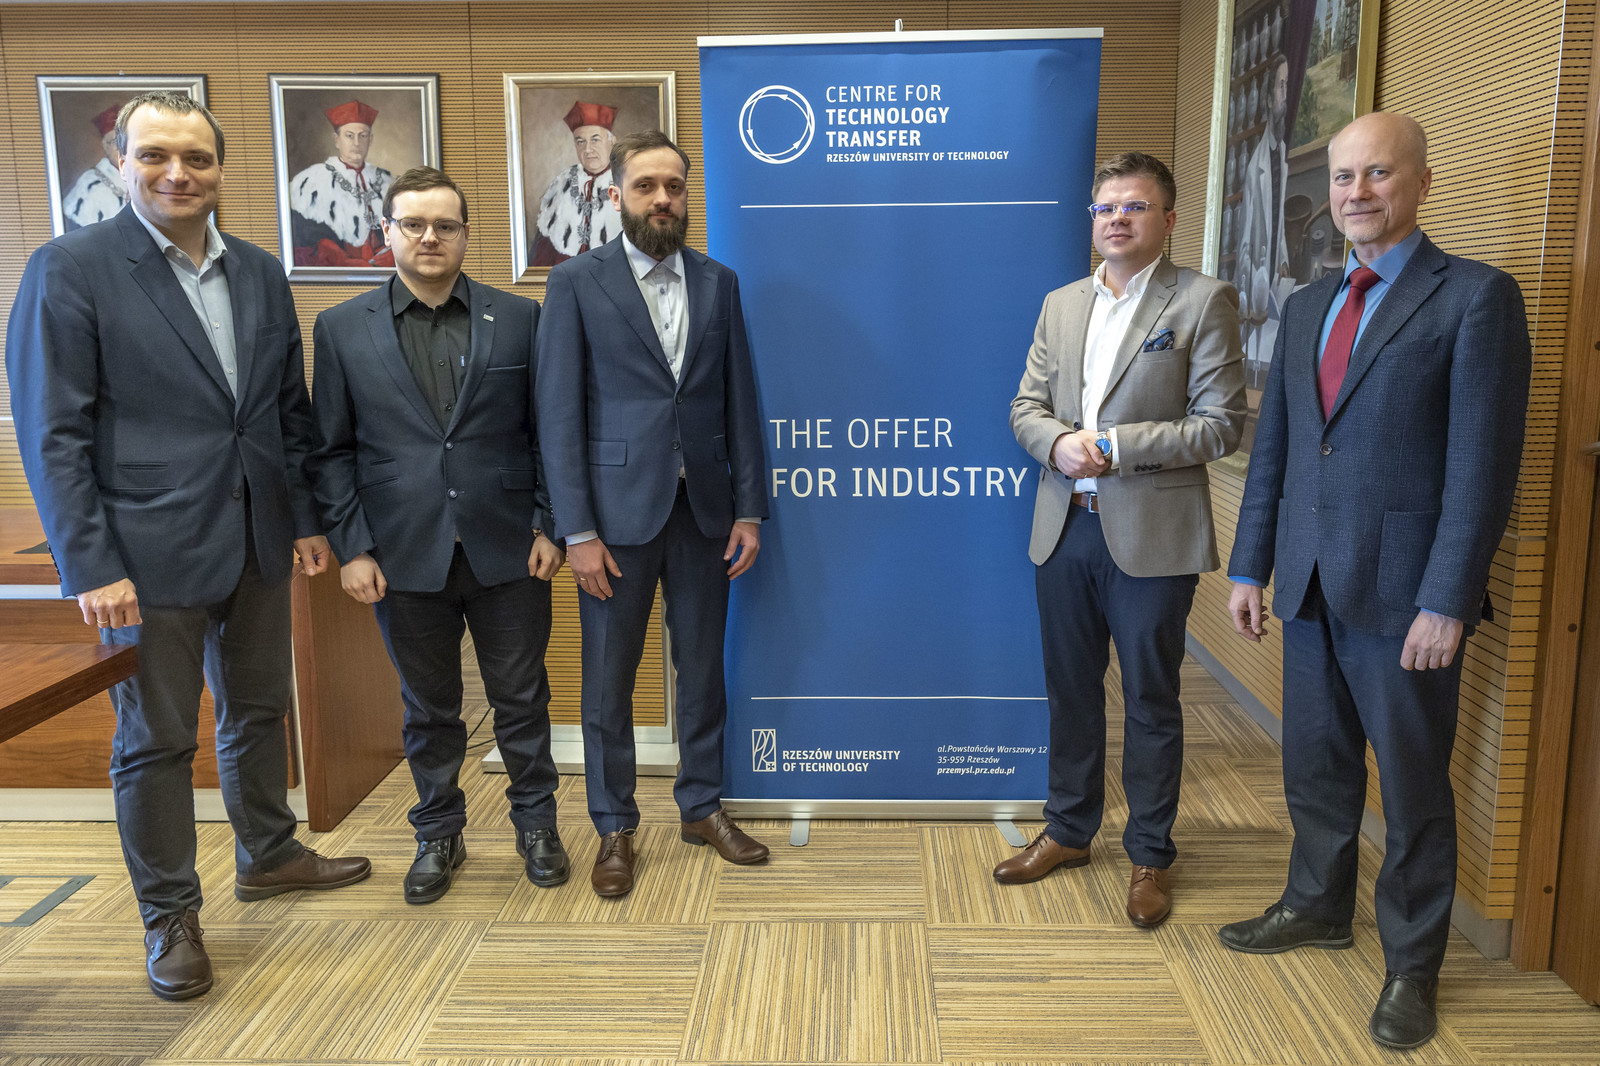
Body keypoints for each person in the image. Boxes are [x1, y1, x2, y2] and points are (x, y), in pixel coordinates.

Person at [5, 91, 370, 1002]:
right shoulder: (71, 269)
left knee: (259, 709)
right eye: (156, 156)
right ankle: (169, 915)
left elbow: (283, 411)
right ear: (121, 163)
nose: (178, 174)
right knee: (158, 740)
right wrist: (90, 564)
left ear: (220, 170)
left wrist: (305, 519)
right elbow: (52, 433)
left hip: (256, 539)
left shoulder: (259, 271)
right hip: (143, 557)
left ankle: (269, 853)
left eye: (197, 158)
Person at [1223, 111, 1531, 1049]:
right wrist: (1250, 564)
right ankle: (1317, 905)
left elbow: (1482, 469)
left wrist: (1447, 599)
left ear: (1422, 182)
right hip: (1309, 583)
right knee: (1314, 766)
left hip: (1405, 597)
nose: (1355, 192)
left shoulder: (1474, 298)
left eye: (1378, 174)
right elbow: (1279, 451)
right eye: (1344, 176)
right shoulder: (1307, 306)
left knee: (1412, 789)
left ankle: (1411, 966)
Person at [999, 151, 1246, 928]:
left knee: (1150, 698)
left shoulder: (1202, 300)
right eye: (1104, 208)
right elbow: (1025, 407)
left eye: (1133, 207)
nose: (1116, 219)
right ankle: (1070, 830)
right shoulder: (1061, 303)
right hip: (1064, 528)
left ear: (1167, 218)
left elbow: (1221, 425)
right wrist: (1055, 443)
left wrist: (1113, 445)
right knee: (1070, 692)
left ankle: (1149, 853)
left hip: (1152, 537)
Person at [310, 166, 568, 903]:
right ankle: (438, 832)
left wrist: (548, 522)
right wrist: (352, 547)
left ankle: (537, 825)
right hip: (401, 552)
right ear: (386, 231)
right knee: (428, 708)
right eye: (414, 224)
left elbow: (548, 433)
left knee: (521, 698)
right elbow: (331, 450)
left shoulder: (518, 318)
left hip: (510, 547)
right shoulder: (341, 328)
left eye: (445, 226)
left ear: (465, 234)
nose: (430, 237)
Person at [536, 130, 769, 898]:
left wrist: (749, 510)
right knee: (609, 683)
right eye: (646, 186)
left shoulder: (719, 282)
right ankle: (614, 827)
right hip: (613, 524)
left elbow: (739, 403)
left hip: (704, 515)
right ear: (617, 194)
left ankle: (702, 807)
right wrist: (576, 531)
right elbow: (557, 417)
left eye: (674, 186)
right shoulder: (575, 283)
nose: (662, 199)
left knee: (702, 673)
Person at [1236, 56, 1293, 374]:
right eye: (1280, 86)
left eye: (1287, 85)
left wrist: (1282, 257)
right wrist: (1251, 285)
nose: (1285, 93)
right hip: (1257, 277)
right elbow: (1246, 239)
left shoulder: (1281, 153)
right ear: (1269, 98)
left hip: (1274, 271)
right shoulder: (1254, 166)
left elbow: (1279, 220)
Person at [289, 99, 394, 268]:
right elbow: (302, 240)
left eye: (363, 136)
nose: (356, 143)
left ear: (371, 140)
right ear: (337, 140)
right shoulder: (310, 180)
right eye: (349, 136)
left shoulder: (387, 180)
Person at [529, 100, 622, 267]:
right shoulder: (562, 184)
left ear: (612, 141)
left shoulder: (627, 181)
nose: (587, 149)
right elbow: (543, 252)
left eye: (595, 140)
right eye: (580, 142)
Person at [62, 104, 127, 229]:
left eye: (125, 140)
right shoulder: (90, 184)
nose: (121, 148)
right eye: (115, 141)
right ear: (105, 146)